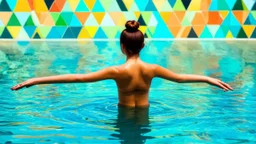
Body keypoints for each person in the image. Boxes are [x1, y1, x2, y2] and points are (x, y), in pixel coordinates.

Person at [11, 20, 233, 107]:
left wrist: (35, 80)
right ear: (143, 46)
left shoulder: (116, 71)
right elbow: (181, 78)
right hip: (146, 116)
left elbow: (77, 78)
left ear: (122, 47)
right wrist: (208, 78)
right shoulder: (152, 69)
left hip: (123, 117)